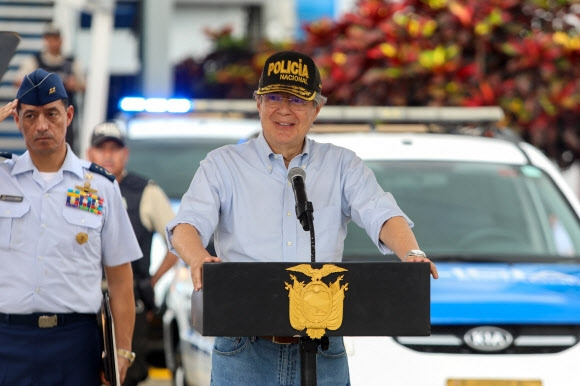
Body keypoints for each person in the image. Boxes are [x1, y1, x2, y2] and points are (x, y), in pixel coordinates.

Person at [165, 50, 439, 385]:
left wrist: (412, 253)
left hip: (323, 343)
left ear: (316, 109)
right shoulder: (222, 165)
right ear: (258, 103)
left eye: (296, 99)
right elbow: (185, 226)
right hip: (244, 349)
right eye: (274, 97)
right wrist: (198, 258)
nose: (284, 109)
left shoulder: (342, 165)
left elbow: (382, 214)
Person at [0, 69, 141, 385]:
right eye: (30, 116)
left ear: (69, 114)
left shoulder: (101, 187)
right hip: (6, 341)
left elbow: (120, 279)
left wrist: (123, 350)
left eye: (52, 114)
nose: (41, 126)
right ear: (15, 119)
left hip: (75, 344)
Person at [86, 121, 180, 386]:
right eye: (100, 148)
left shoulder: (145, 192)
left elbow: (177, 242)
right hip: (84, 300)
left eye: (114, 149)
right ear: (89, 153)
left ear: (125, 154)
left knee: (124, 377)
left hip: (128, 302)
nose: (107, 155)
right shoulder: (77, 188)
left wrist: (149, 284)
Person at [14, 25, 86, 152]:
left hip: (62, 114)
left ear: (61, 40)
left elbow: (83, 85)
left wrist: (74, 85)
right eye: (50, 38)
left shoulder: (70, 62)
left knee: (65, 146)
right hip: (40, 111)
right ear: (45, 40)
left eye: (55, 38)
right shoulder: (35, 61)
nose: (53, 42)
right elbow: (18, 82)